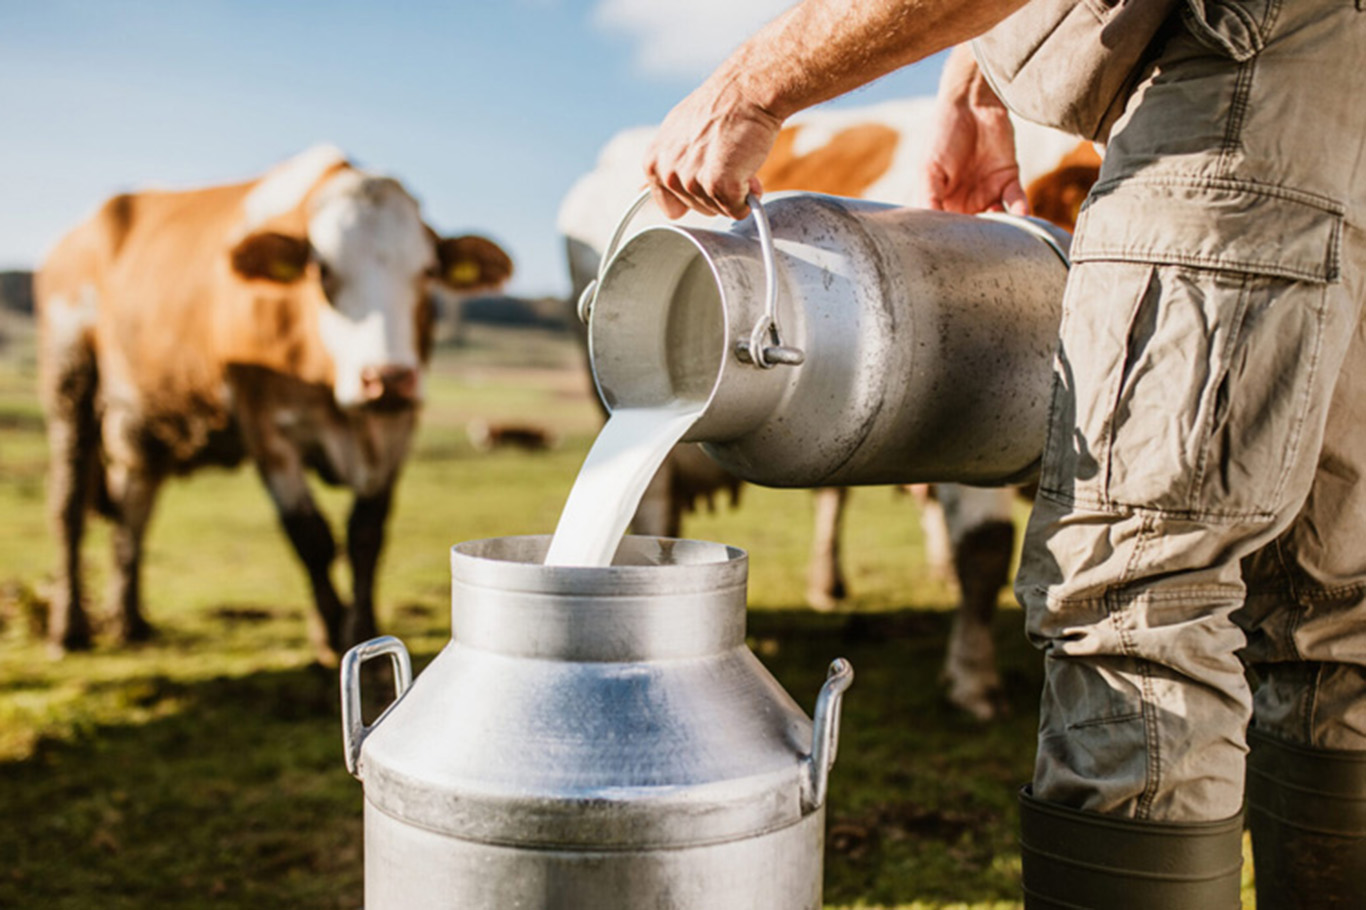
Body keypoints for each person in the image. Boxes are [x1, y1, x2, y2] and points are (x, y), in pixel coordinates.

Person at [643, 1, 1366, 907]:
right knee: (1325, 601)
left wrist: (750, 87)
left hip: (1229, 81)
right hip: (1332, 83)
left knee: (1136, 597)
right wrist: (976, 80)